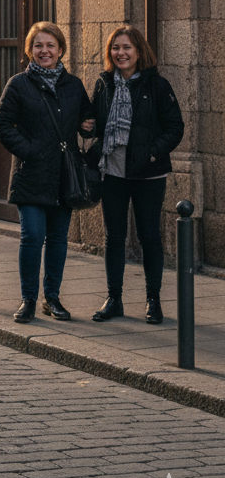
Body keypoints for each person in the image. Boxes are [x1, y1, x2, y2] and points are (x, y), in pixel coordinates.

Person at [0, 22, 95, 324]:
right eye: (38, 45)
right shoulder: (18, 84)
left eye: (50, 45)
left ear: (61, 50)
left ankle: (52, 298)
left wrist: (87, 125)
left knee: (58, 239)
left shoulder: (73, 85)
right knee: (32, 236)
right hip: (31, 172)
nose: (44, 51)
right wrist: (30, 151)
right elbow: (1, 126)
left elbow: (87, 119)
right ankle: (28, 299)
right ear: (30, 50)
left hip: (64, 176)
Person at [88, 26, 184, 325]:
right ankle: (114, 298)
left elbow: (175, 127)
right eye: (116, 48)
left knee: (149, 237)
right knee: (113, 237)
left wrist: (152, 153)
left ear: (139, 52)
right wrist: (85, 127)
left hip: (148, 174)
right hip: (112, 171)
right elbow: (93, 122)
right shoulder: (104, 85)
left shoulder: (157, 85)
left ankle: (153, 300)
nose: (121, 53)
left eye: (127, 47)